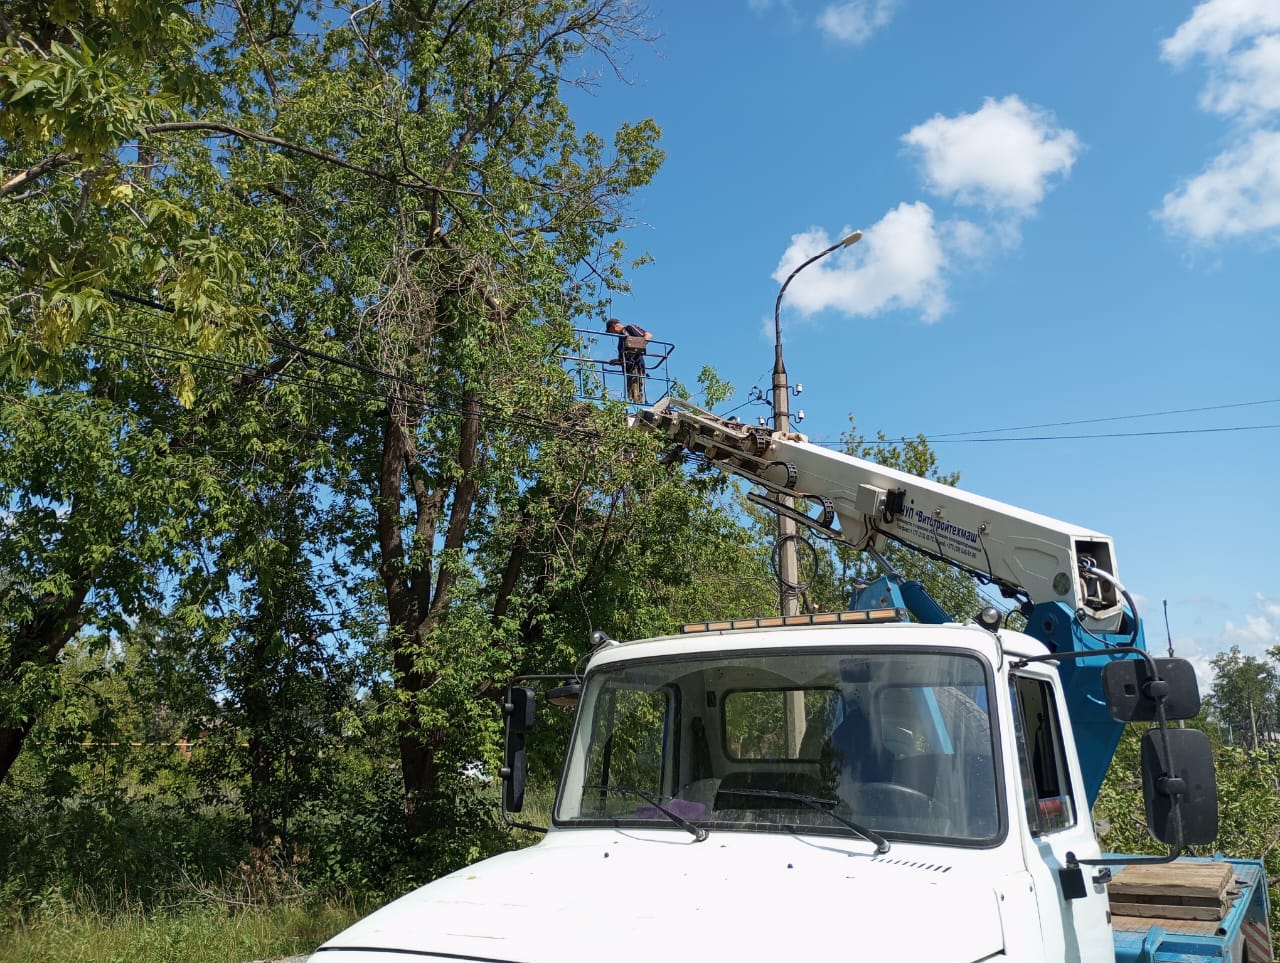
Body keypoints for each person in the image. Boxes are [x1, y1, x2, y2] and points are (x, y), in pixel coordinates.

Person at [606, 317, 652, 404]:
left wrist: (639, 346)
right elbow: (624, 357)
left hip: (636, 365)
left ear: (613, 326)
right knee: (630, 391)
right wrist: (617, 361)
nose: (612, 333)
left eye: (611, 331)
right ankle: (635, 408)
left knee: (636, 390)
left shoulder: (629, 328)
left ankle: (638, 408)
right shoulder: (621, 339)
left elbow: (648, 335)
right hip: (629, 368)